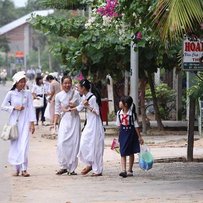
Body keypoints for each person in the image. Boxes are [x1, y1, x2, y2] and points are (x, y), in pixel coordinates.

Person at [1, 71, 36, 177]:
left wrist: (32, 123)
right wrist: (14, 108)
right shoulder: (11, 94)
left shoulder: (28, 94)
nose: (22, 84)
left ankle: (24, 169)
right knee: (15, 146)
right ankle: (16, 168)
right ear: (16, 83)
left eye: (24, 82)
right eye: (20, 82)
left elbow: (31, 108)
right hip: (14, 123)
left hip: (25, 122)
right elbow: (2, 106)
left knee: (24, 145)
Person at [71, 79, 104, 176]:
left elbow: (97, 112)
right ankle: (90, 163)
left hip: (95, 124)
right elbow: (79, 107)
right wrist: (68, 110)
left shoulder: (92, 98)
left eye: (79, 87)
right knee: (85, 143)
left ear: (83, 88)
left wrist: (88, 106)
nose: (78, 89)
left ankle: (97, 169)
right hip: (89, 123)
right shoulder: (85, 97)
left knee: (95, 145)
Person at [53, 76, 81, 175]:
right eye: (65, 83)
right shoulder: (58, 96)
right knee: (61, 143)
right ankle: (63, 166)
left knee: (74, 144)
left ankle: (72, 168)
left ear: (71, 83)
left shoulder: (76, 94)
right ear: (62, 84)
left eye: (69, 83)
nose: (67, 85)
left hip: (74, 119)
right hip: (64, 120)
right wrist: (54, 123)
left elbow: (81, 107)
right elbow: (57, 110)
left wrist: (75, 106)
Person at [116, 96, 144, 178]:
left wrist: (140, 137)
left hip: (131, 133)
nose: (119, 103)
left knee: (131, 151)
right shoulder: (119, 114)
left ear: (126, 104)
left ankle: (130, 170)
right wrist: (118, 137)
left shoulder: (132, 114)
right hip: (123, 133)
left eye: (121, 101)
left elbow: (136, 126)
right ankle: (123, 170)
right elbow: (119, 126)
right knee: (123, 152)